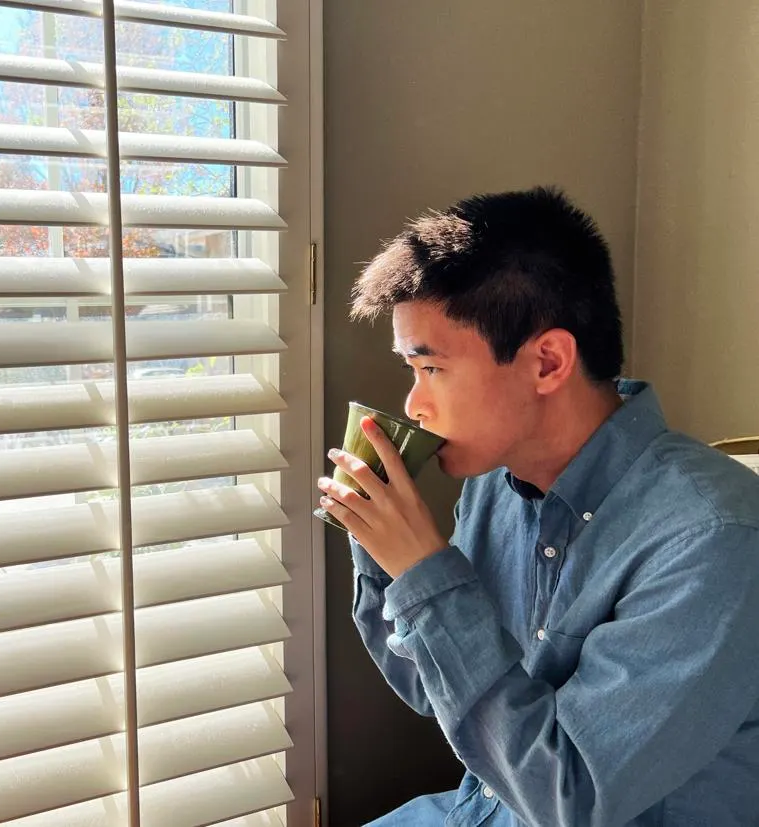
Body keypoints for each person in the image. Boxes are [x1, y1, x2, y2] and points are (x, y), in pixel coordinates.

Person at [316, 187, 759, 826]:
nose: (413, 405)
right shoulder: (497, 488)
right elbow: (432, 694)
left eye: (431, 369)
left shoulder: (713, 537)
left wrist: (424, 576)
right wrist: (381, 544)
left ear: (547, 361)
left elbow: (569, 799)